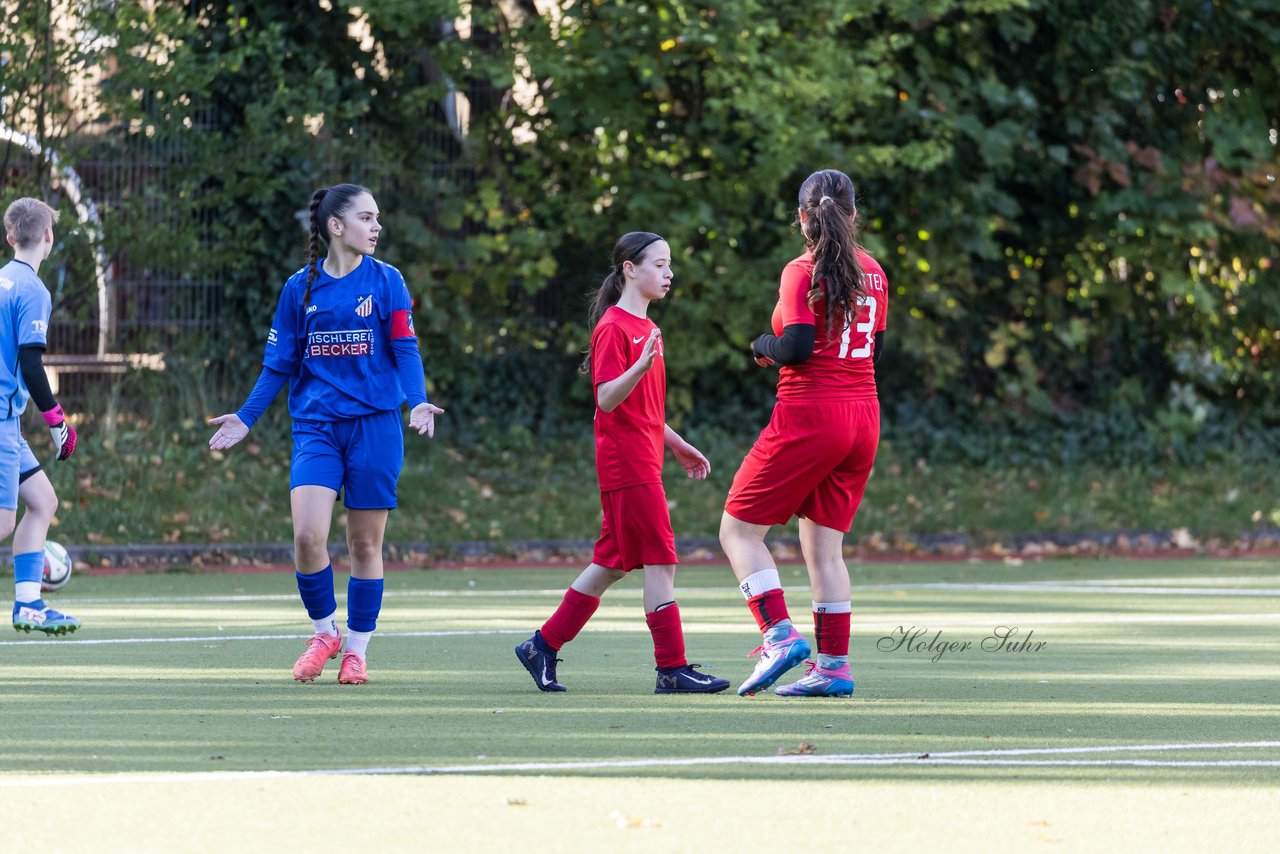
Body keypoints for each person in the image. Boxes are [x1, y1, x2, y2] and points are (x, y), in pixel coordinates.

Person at [208, 183, 442, 685]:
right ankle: (324, 632)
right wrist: (246, 417)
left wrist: (417, 399)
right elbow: (279, 363)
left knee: (364, 545)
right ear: (336, 226)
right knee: (308, 536)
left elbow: (405, 348)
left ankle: (357, 649)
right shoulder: (299, 288)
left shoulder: (388, 281)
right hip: (316, 427)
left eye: (378, 218)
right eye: (366, 218)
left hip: (376, 426)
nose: (377, 227)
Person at [515, 232, 730, 695]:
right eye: (659, 264)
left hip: (643, 458)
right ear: (630, 269)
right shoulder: (614, 327)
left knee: (611, 564)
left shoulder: (649, 329)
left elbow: (644, 409)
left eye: (670, 264)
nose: (669, 273)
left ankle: (541, 646)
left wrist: (677, 443)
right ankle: (672, 669)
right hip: (627, 464)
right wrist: (638, 366)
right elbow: (607, 399)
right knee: (661, 561)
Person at [720, 169, 888, 697]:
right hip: (864, 417)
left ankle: (778, 636)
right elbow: (875, 350)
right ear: (853, 213)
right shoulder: (875, 271)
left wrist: (760, 346)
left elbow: (794, 347)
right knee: (824, 550)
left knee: (738, 531)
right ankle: (833, 667)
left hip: (812, 413)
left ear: (801, 216)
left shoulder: (801, 269)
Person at [1, 197, 81, 635]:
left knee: (42, 501)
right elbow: (31, 365)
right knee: (3, 521)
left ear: (10, 237)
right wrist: (57, 423)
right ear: (48, 236)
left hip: (8, 422)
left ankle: (29, 605)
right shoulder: (32, 290)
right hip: (1, 419)